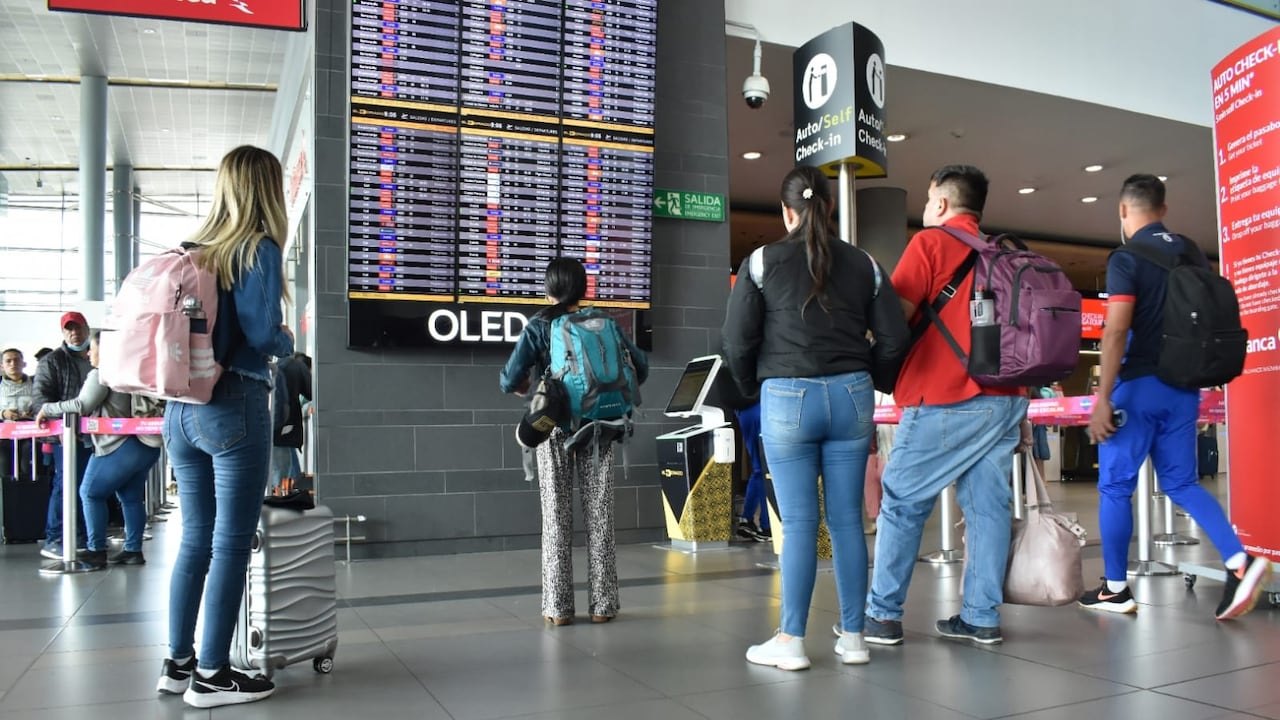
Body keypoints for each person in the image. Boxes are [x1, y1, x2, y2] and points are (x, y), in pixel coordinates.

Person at [722, 165, 910, 670]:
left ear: (787, 211)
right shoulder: (864, 264)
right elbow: (894, 337)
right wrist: (873, 377)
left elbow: (736, 341)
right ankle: (853, 638)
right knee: (848, 520)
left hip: (787, 398)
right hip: (852, 395)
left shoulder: (761, 263)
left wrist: (752, 388)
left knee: (801, 523)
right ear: (827, 208)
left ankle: (792, 641)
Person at [1083, 174, 1271, 619]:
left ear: (1123, 211)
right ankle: (1238, 561)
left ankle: (1115, 589)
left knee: (1115, 486)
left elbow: (1116, 330)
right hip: (1185, 389)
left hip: (1139, 388)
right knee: (1182, 483)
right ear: (1163, 209)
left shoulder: (1126, 258)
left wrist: (1103, 396)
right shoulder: (1193, 254)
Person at [866, 165, 1027, 647]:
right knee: (987, 508)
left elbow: (897, 321)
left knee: (901, 501)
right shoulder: (1003, 254)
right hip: (1005, 399)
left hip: (944, 396)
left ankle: (882, 616)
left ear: (939, 202)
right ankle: (980, 616)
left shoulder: (930, 244)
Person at [157, 146, 294, 709]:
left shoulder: (196, 250)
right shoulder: (254, 248)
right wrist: (289, 344)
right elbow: (263, 335)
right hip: (232, 403)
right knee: (232, 542)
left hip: (180, 411)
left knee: (195, 539)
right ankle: (212, 675)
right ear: (267, 190)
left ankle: (178, 662)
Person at [499, 258, 649, 626]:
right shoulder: (606, 323)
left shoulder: (539, 326)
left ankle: (558, 608)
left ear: (550, 289)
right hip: (600, 427)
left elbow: (509, 379)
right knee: (601, 516)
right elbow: (640, 368)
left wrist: (527, 387)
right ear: (584, 289)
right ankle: (603, 605)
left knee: (556, 516)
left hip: (556, 428)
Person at [34, 332, 161, 568]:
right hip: (143, 445)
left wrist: (47, 409)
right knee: (131, 498)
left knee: (90, 493)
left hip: (116, 445)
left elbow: (82, 405)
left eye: (92, 349)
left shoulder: (103, 373)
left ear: (107, 350)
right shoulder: (130, 371)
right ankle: (132, 550)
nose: (88, 353)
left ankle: (96, 550)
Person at [34, 312, 94, 559]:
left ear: (86, 328)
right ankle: (55, 537)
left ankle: (79, 535)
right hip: (67, 436)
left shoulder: (100, 356)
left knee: (86, 486)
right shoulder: (51, 361)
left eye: (77, 327)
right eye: (68, 329)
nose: (74, 333)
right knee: (65, 484)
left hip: (96, 435)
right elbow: (41, 399)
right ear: (63, 333)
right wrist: (60, 426)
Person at [269, 352, 312, 491]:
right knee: (282, 478)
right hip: (285, 429)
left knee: (281, 473)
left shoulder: (271, 367)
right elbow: (313, 391)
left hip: (269, 431)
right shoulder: (296, 366)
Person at [735, 401, 770, 542]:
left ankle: (747, 519)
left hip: (743, 411)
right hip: (764, 405)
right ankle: (767, 527)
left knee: (759, 469)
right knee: (768, 470)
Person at [1, 348, 36, 480]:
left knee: (27, 470)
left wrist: (33, 412)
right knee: (5, 472)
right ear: (2, 365)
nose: (12, 364)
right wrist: (3, 413)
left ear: (24, 363)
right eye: (8, 361)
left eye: (16, 360)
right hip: (4, 437)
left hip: (29, 435)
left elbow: (43, 403)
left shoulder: (35, 383)